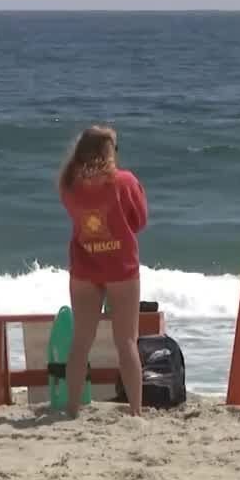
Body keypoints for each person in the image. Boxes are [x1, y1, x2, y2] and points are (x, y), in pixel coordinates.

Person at [57, 125, 148, 417]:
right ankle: (135, 410)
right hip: (121, 266)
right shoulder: (125, 181)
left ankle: (72, 408)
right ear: (108, 151)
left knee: (81, 342)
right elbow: (140, 219)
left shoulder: (69, 183)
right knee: (127, 342)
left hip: (84, 266)